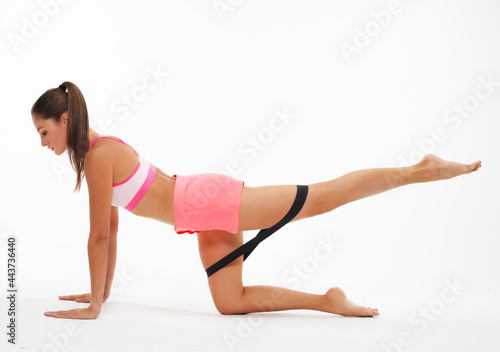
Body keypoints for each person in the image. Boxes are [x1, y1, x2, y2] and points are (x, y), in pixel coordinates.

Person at [32, 81, 482, 320]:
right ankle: (329, 300)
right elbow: (109, 231)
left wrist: (93, 308)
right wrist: (103, 293)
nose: (42, 141)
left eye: (44, 131)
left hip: (207, 200)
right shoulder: (99, 153)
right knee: (230, 303)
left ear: (66, 119)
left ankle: (420, 170)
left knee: (320, 198)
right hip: (200, 215)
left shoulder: (99, 155)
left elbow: (97, 239)